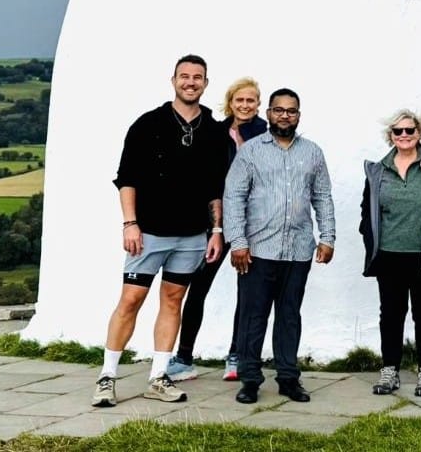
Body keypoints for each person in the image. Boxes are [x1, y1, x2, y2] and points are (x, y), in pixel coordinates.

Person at [91, 55, 230, 407]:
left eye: (197, 77)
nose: (191, 82)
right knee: (131, 301)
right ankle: (107, 377)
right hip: (148, 233)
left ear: (206, 83)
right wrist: (130, 223)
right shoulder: (147, 124)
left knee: (172, 301)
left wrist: (216, 230)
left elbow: (216, 187)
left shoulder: (214, 132)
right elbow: (127, 179)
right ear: (173, 81)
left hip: (191, 236)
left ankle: (158, 376)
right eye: (184, 76)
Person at [223, 87, 336, 404]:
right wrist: (238, 242)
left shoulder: (312, 152)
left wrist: (327, 237)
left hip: (298, 250)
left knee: (290, 316)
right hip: (257, 250)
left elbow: (322, 197)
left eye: (291, 110)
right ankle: (250, 380)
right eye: (278, 109)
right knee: (253, 316)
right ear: (268, 113)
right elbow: (234, 197)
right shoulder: (251, 151)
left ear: (298, 115)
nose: (285, 115)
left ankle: (288, 378)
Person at [167, 76, 269, 382]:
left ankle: (236, 354)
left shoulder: (266, 134)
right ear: (231, 102)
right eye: (240, 100)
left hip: (252, 224)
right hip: (216, 223)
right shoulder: (214, 131)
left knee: (247, 292)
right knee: (198, 286)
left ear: (258, 103)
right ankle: (184, 356)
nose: (245, 105)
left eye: (250, 100)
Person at [360, 108, 421, 398]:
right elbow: (366, 211)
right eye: (399, 131)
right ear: (390, 136)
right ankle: (390, 370)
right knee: (391, 315)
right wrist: (370, 241)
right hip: (389, 254)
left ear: (419, 133)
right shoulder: (378, 170)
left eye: (410, 130)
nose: (405, 136)